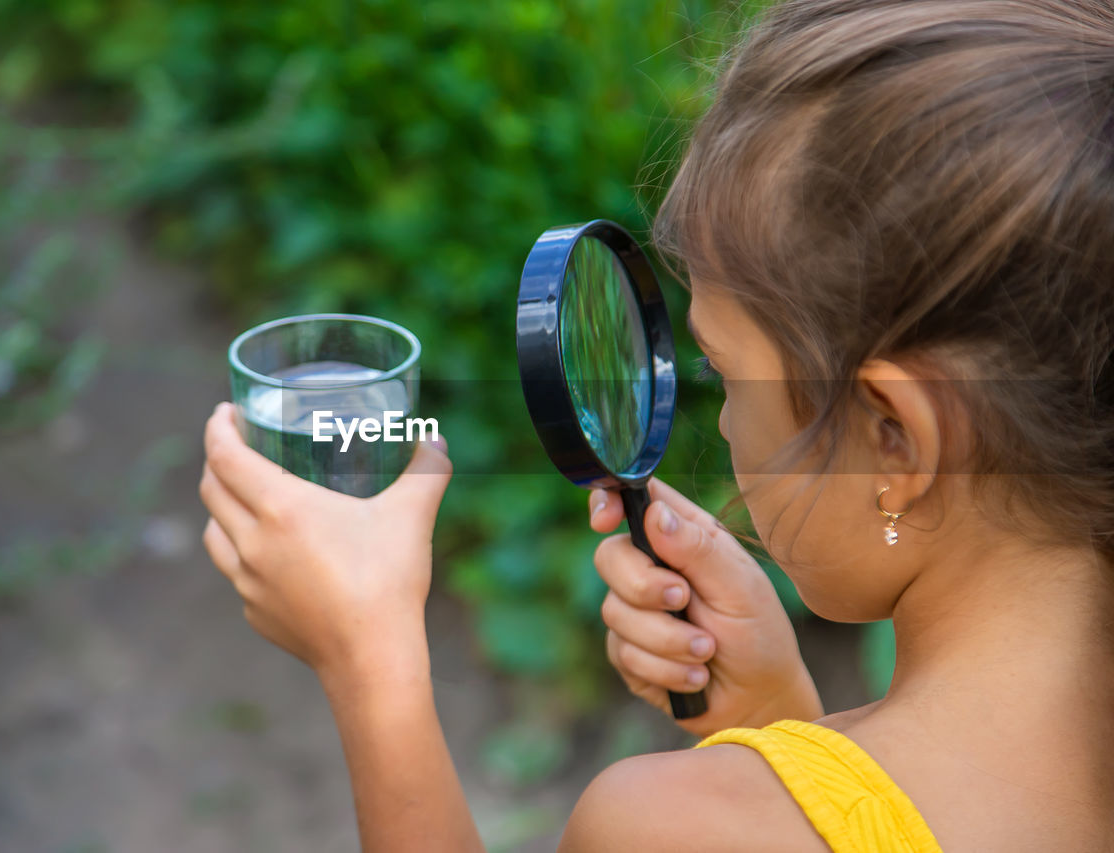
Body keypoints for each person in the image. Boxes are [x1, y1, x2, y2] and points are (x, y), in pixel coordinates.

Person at [198, 0, 1114, 848]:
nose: (721, 423)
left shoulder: (672, 829)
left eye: (723, 369)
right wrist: (786, 735)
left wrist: (371, 658)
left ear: (897, 442)